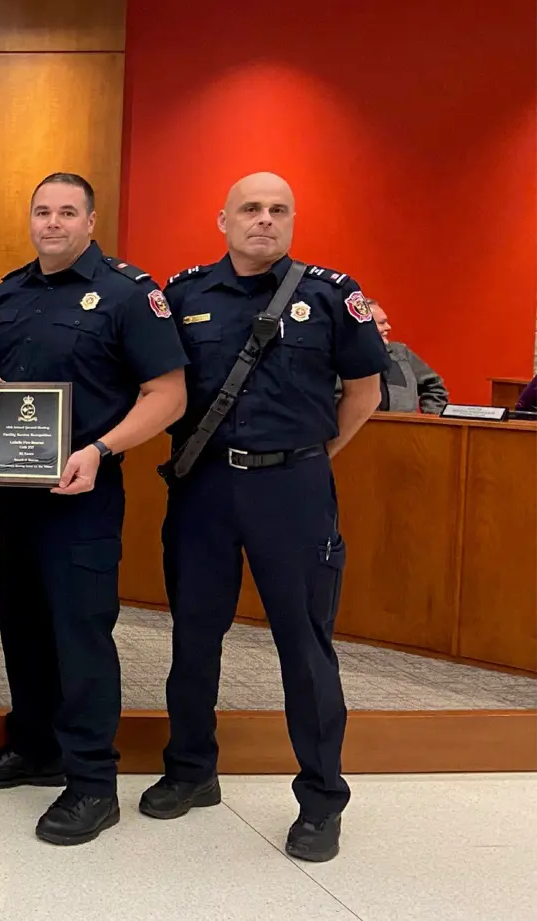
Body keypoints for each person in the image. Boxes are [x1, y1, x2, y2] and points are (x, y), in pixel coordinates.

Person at [145, 172, 386, 863]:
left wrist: (306, 454)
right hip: (205, 488)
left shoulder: (332, 295)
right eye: (250, 208)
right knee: (194, 635)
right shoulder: (183, 294)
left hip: (293, 489)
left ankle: (320, 799)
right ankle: (191, 769)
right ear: (222, 218)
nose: (264, 219)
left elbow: (365, 391)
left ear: (292, 220)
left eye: (278, 209)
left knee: (305, 649)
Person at [0, 173, 188, 845]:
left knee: (81, 635)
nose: (53, 222)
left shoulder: (127, 294)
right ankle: (35, 745)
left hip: (83, 494)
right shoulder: (9, 292)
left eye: (67, 212)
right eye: (42, 211)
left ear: (91, 221)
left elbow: (168, 393)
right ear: (29, 219)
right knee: (23, 626)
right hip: (16, 494)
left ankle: (93, 781)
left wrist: (102, 448)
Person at [367, 300, 448, 414]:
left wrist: (430, 420)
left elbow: (434, 385)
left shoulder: (400, 352)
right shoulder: (339, 358)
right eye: (382, 323)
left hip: (405, 430)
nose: (388, 327)